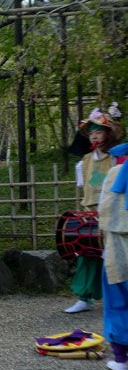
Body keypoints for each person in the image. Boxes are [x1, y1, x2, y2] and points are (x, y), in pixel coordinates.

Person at [65, 106, 122, 313]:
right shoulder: (84, 162)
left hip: (113, 214)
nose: (94, 137)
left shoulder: (118, 159)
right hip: (90, 214)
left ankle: (116, 297)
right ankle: (84, 297)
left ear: (108, 134)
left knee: (115, 256)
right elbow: (84, 189)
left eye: (98, 132)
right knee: (86, 254)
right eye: (91, 133)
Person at [97, 141, 128, 370]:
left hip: (118, 246)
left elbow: (104, 210)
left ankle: (121, 359)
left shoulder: (115, 172)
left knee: (117, 302)